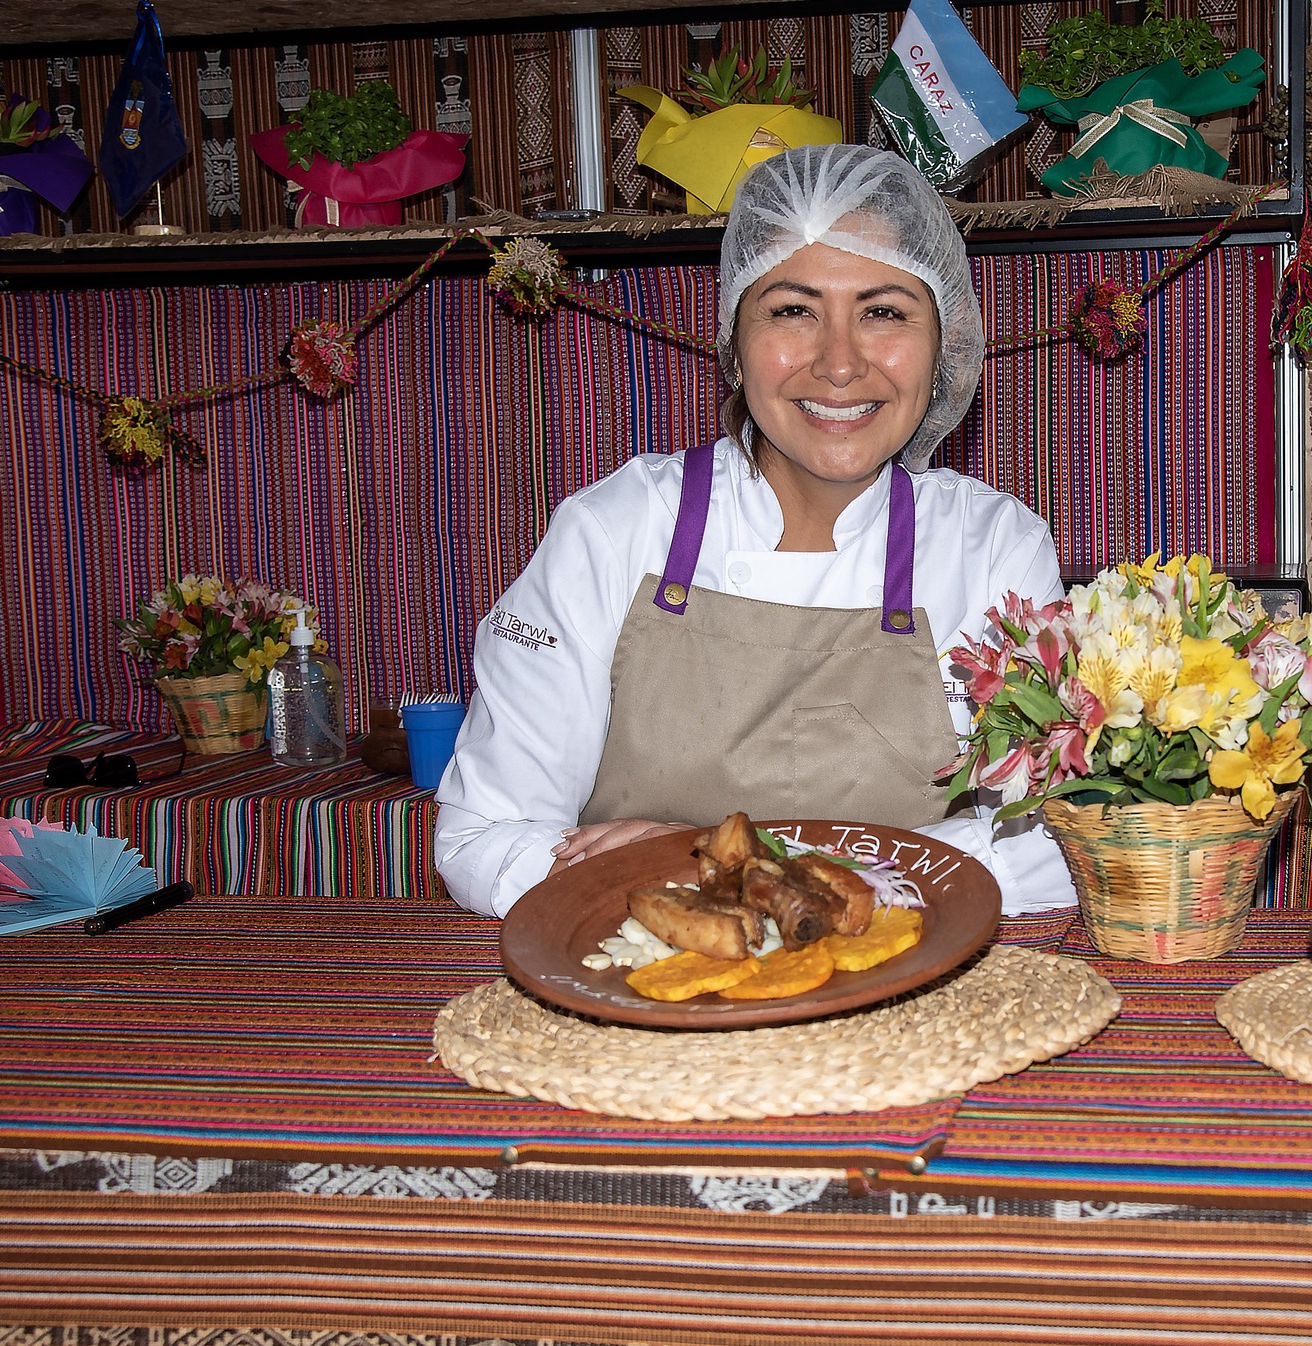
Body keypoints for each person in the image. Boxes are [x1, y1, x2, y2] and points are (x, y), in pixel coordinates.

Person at [435, 144, 1074, 918]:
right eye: (793, 310)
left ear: (944, 346)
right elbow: (484, 835)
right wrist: (711, 878)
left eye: (884, 312)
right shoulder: (616, 532)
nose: (839, 364)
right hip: (655, 999)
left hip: (911, 1002)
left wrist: (739, 864)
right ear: (734, 343)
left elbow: (1056, 844)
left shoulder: (993, 548)